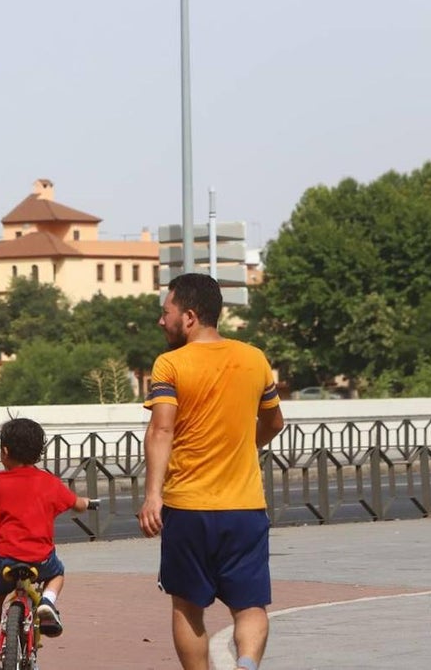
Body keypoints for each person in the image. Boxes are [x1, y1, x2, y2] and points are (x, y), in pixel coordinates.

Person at [137, 273, 285, 670]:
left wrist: (153, 495)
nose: (160, 321)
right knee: (250, 604)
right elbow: (274, 424)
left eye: (165, 312)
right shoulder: (254, 358)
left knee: (187, 605)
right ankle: (247, 664)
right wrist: (241, 443)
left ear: (188, 317)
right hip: (245, 507)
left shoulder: (170, 364)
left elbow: (161, 428)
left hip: (188, 509)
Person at [0, 417, 95, 669]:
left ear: (5, 451)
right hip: (41, 558)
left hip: (2, 559)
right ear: (38, 452)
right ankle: (47, 602)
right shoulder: (49, 482)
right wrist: (87, 502)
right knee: (58, 573)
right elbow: (77, 504)